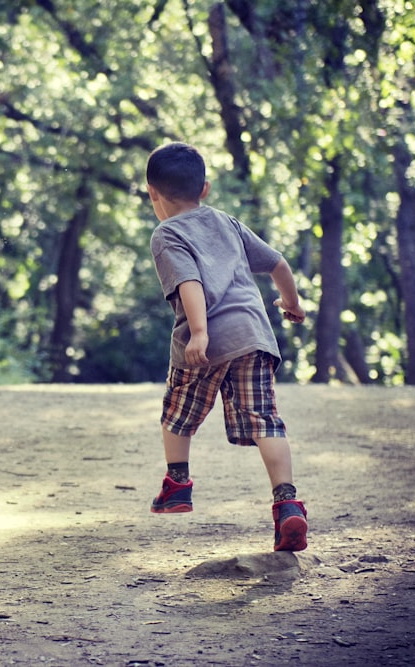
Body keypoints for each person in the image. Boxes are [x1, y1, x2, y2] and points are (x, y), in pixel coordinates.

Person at [145, 141, 308, 552]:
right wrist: (292, 304)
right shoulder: (227, 223)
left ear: (153, 194)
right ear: (206, 188)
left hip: (206, 342)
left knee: (177, 414)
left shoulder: (166, 233)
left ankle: (177, 485)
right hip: (254, 336)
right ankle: (287, 503)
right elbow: (278, 264)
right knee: (266, 420)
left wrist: (199, 333)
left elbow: (189, 283)